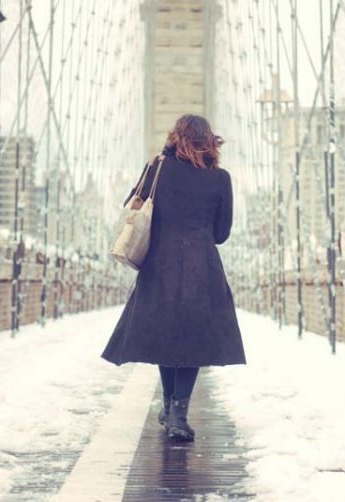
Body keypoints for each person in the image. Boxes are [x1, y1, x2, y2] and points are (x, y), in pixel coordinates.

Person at [101, 114, 246, 442]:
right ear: (211, 141)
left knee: (166, 334)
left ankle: (169, 408)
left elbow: (136, 205)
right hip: (201, 264)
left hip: (160, 265)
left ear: (175, 137)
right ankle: (178, 413)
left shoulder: (157, 169)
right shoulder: (220, 179)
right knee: (192, 337)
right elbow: (221, 234)